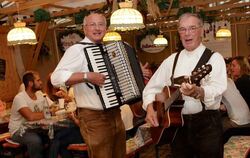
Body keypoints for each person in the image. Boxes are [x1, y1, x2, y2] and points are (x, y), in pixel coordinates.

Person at [143, 13, 227, 158]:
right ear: (179, 33)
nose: (187, 33)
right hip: (178, 126)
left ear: (201, 30)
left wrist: (198, 91)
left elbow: (218, 89)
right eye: (182, 29)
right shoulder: (171, 60)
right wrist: (150, 108)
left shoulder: (214, 58)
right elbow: (151, 88)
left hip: (207, 127)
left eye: (192, 28)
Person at [51, 13, 126, 158]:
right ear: (84, 29)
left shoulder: (107, 49)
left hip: (115, 113)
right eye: (92, 24)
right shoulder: (77, 50)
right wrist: (87, 76)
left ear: (106, 28)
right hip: (94, 117)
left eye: (101, 24)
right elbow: (56, 78)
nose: (97, 28)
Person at [8, 71, 49, 158]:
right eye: (38, 80)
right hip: (18, 131)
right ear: (30, 83)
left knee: (53, 135)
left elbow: (49, 109)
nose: (41, 82)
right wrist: (48, 113)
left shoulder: (40, 94)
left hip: (35, 128)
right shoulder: (19, 98)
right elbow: (30, 117)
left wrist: (48, 112)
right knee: (35, 140)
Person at [45, 73, 84, 158]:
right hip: (75, 128)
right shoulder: (75, 92)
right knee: (60, 144)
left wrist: (73, 118)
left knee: (57, 139)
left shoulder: (77, 94)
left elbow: (82, 125)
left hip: (83, 133)